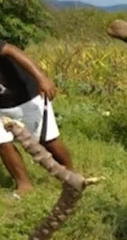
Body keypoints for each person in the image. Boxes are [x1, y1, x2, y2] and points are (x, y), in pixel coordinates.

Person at [0, 40, 73, 196]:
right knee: (3, 144)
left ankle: (72, 178)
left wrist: (41, 78)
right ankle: (24, 185)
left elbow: (11, 50)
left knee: (48, 141)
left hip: (25, 96)